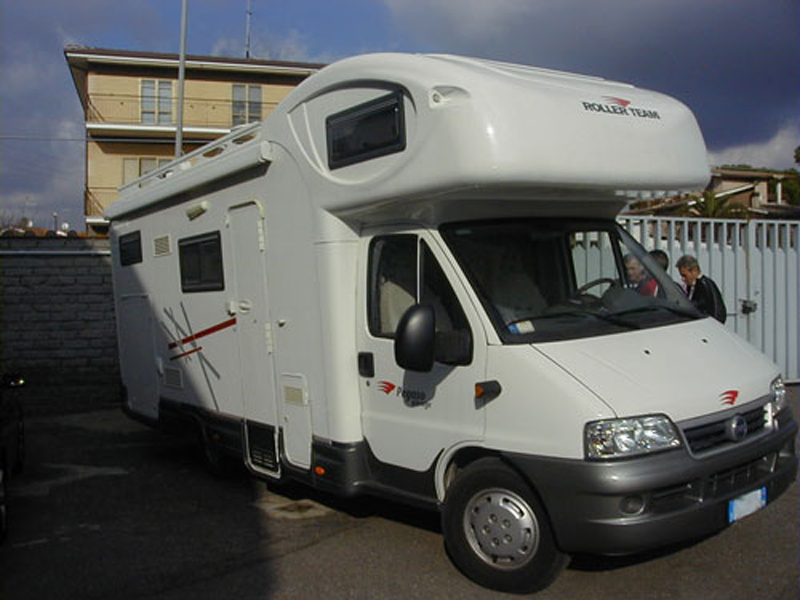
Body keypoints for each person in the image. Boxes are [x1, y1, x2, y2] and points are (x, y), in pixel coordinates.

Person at [676, 254, 726, 323]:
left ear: (694, 271)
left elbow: (717, 310)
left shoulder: (705, 285)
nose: (683, 279)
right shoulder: (692, 286)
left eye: (684, 275)